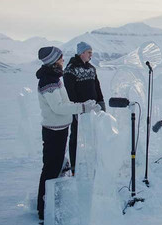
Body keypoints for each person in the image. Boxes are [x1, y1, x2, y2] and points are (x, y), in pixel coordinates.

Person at [36, 46, 101, 220]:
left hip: (60, 129)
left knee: (55, 167)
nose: (63, 60)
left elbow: (65, 102)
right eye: (60, 58)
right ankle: (44, 210)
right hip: (54, 131)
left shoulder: (54, 78)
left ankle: (47, 204)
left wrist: (83, 105)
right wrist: (82, 107)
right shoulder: (48, 82)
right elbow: (58, 107)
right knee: (51, 169)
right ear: (53, 61)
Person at [63, 42, 105, 175]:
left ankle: (92, 163)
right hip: (79, 109)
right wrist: (77, 108)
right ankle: (75, 167)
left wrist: (101, 102)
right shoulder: (70, 70)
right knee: (76, 136)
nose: (91, 55)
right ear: (81, 53)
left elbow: (97, 86)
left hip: (93, 109)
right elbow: (70, 91)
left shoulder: (92, 68)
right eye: (89, 52)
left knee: (93, 135)